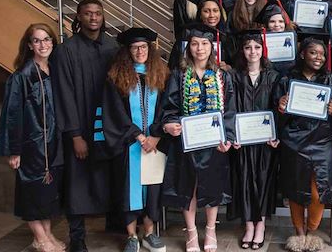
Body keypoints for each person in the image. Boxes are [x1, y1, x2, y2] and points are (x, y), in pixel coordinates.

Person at [158, 23, 234, 252]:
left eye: (204, 43)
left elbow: (230, 110)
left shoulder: (222, 77)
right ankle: (191, 232)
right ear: (188, 47)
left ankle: (210, 229)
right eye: (194, 44)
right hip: (186, 142)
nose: (199, 48)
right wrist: (169, 125)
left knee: (211, 186)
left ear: (212, 47)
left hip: (213, 143)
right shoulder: (179, 76)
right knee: (188, 187)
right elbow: (169, 108)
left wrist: (227, 136)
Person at [52, 0, 119, 252]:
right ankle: (77, 236)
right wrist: (75, 134)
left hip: (108, 126)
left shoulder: (113, 47)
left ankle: (115, 221)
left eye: (98, 13)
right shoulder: (66, 50)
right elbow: (64, 94)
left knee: (109, 176)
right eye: (88, 14)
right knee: (77, 181)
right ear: (78, 17)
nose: (93, 18)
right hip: (80, 124)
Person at [0, 24, 64, 252]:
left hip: (53, 143)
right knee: (31, 192)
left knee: (46, 194)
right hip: (30, 144)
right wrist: (14, 150)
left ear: (53, 42)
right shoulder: (22, 76)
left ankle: (45, 235)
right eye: (37, 40)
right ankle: (40, 237)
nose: (43, 44)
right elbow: (12, 115)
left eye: (47, 39)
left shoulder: (54, 70)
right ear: (29, 45)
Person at [102, 28, 168, 252]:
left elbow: (166, 108)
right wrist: (138, 136)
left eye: (143, 47)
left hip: (155, 143)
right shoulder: (115, 78)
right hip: (128, 144)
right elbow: (114, 113)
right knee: (128, 189)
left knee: (152, 189)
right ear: (127, 51)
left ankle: (149, 233)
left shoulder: (162, 75)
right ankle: (131, 236)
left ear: (150, 49)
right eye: (135, 47)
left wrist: (156, 136)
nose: (140, 51)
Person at [275, 32, 332, 252]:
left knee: (318, 191)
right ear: (303, 54)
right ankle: (299, 234)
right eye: (313, 52)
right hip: (294, 141)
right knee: (295, 190)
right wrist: (281, 107)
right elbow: (277, 115)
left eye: (322, 54)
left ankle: (312, 231)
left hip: (322, 142)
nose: (318, 57)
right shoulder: (286, 79)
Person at [226, 30, 280, 250]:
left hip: (266, 142)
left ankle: (261, 226)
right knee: (245, 181)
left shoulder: (274, 76)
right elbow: (230, 108)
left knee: (264, 181)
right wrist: (232, 135)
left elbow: (278, 108)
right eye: (248, 47)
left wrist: (276, 134)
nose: (252, 51)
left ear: (263, 50)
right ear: (242, 50)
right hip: (243, 141)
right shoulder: (235, 77)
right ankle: (249, 226)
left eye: (257, 47)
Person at [255, 3, 296, 77]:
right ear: (266, 23)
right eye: (272, 21)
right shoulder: (259, 39)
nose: (277, 25)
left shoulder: (292, 37)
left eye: (281, 21)